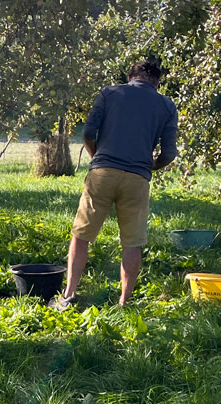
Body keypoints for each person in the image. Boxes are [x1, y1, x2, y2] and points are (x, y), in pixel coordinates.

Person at [49, 60, 178, 311]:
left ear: (130, 77)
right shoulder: (167, 105)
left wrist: (97, 157)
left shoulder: (110, 93)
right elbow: (169, 153)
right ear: (157, 82)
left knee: (81, 234)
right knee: (132, 242)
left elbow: (88, 133)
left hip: (102, 173)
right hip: (137, 179)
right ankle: (124, 302)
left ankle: (69, 295)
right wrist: (149, 166)